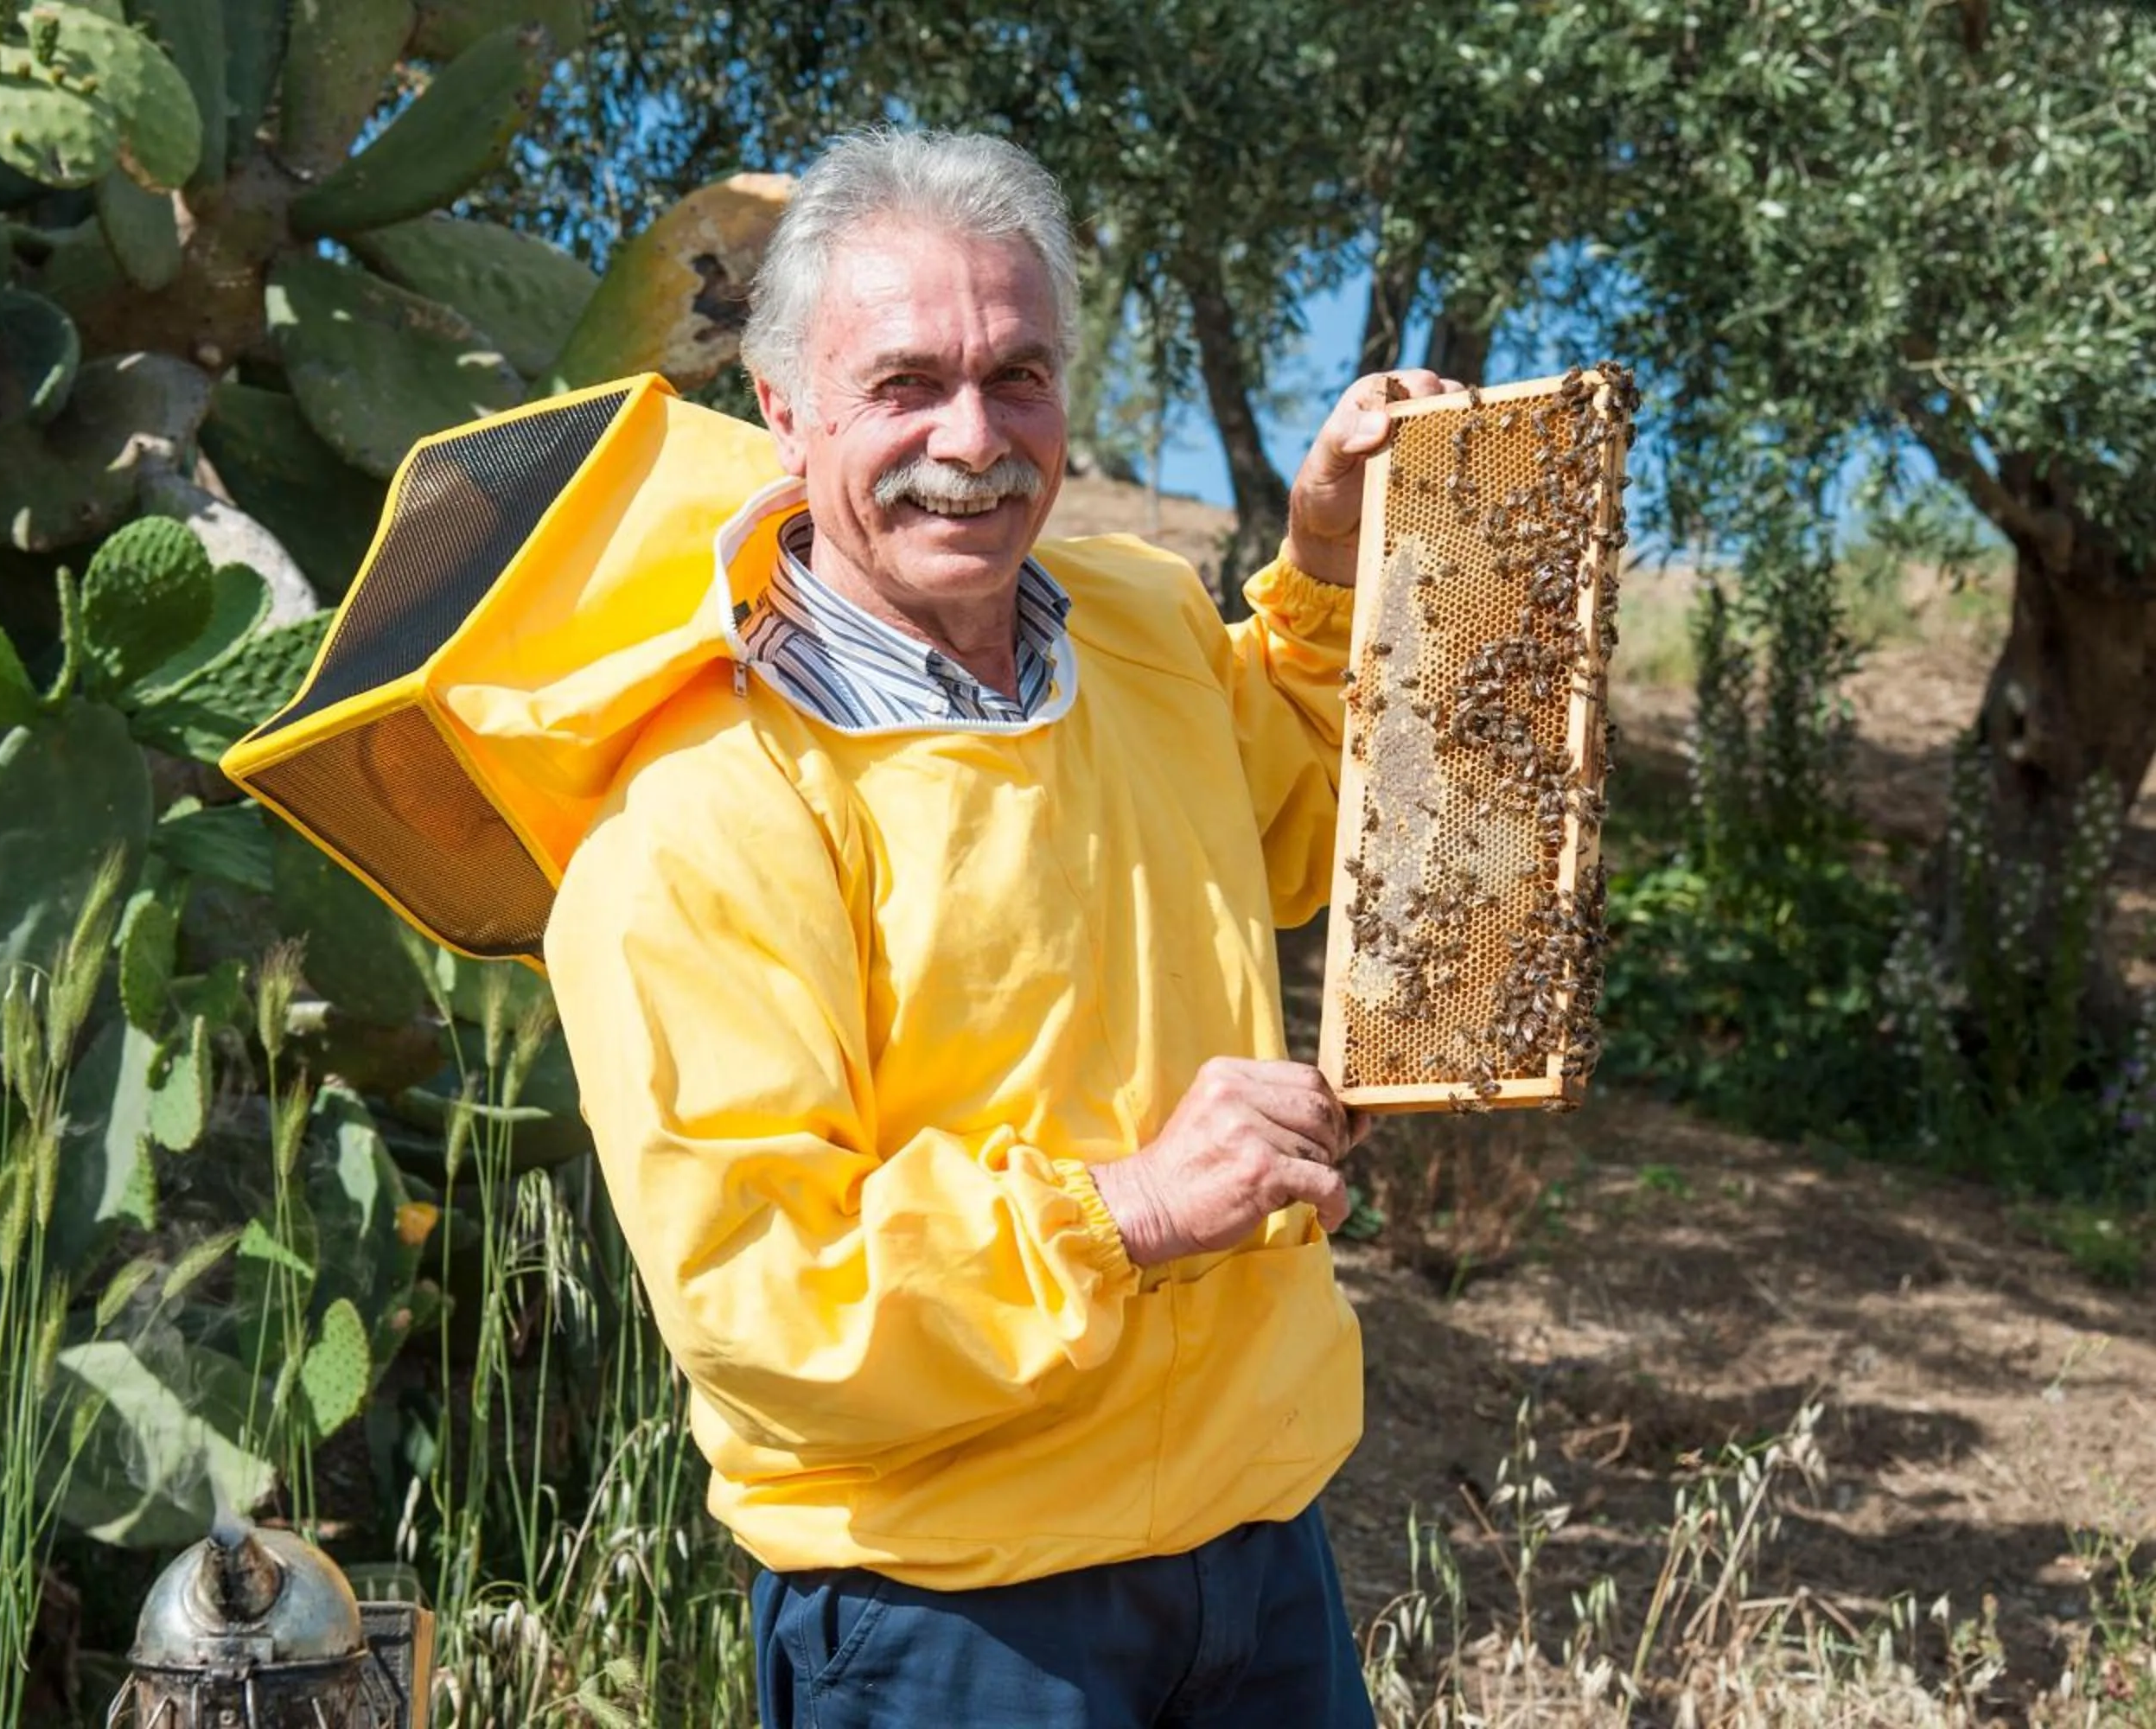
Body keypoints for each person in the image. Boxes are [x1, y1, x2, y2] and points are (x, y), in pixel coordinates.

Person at [543, 127, 1465, 1727]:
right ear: (784, 411)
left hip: (1258, 1550)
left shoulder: (1141, 620)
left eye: (1018, 375)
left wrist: (1323, 557)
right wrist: (1137, 1207)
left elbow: (1303, 823)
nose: (971, 440)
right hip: (954, 1616)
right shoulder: (702, 798)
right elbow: (764, 1287)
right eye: (904, 384)